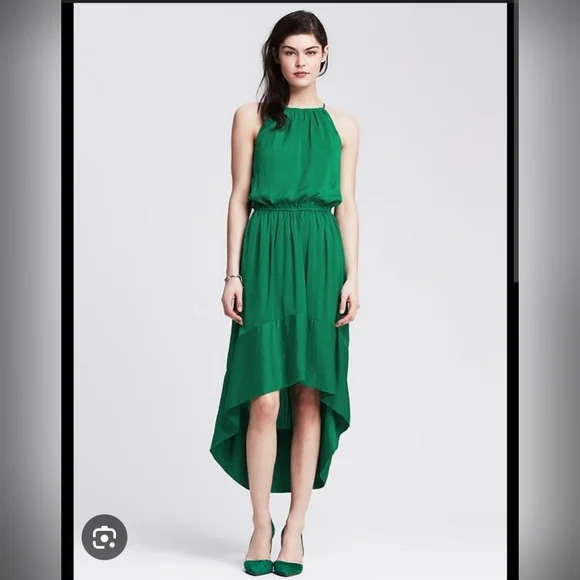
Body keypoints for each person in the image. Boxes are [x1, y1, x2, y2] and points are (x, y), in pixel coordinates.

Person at [209, 9, 360, 576]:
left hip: (321, 256)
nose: (301, 62)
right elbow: (237, 196)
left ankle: (295, 528)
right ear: (276, 55)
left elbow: (347, 204)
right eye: (290, 51)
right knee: (264, 397)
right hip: (265, 253)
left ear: (325, 55)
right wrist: (232, 274)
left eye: (310, 51)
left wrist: (353, 276)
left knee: (309, 395)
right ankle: (259, 524)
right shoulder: (250, 116)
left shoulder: (344, 126)